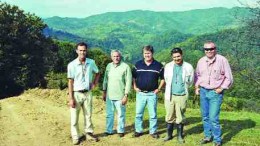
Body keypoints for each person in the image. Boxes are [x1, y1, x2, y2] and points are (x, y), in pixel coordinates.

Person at [195, 41, 233, 146]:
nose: (209, 51)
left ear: (215, 49)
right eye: (206, 49)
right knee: (205, 116)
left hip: (215, 92)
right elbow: (197, 75)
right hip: (203, 91)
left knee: (213, 118)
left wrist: (222, 88)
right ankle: (208, 136)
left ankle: (217, 140)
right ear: (204, 50)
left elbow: (229, 77)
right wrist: (197, 86)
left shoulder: (222, 60)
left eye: (211, 49)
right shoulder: (201, 61)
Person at [67, 42, 100, 145]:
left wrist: (94, 83)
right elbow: (70, 82)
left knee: (88, 115)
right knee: (74, 117)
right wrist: (71, 98)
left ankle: (89, 134)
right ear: (77, 51)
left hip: (88, 93)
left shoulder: (91, 62)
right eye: (80, 50)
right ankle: (75, 136)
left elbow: (98, 72)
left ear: (86, 51)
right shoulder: (72, 65)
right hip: (76, 93)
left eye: (84, 50)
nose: (82, 52)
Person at [132, 45, 165, 139]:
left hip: (152, 94)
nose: (147, 55)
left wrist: (158, 89)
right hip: (140, 93)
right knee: (138, 113)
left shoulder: (158, 65)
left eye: (149, 53)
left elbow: (163, 78)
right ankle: (138, 130)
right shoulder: (137, 64)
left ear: (152, 53)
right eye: (145, 53)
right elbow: (133, 77)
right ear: (143, 54)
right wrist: (134, 87)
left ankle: (153, 131)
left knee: (153, 114)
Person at [164, 48, 194, 144]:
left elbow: (191, 82)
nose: (176, 58)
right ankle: (169, 135)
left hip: (182, 95)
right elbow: (166, 79)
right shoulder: (168, 66)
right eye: (174, 57)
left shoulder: (188, 67)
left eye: (178, 56)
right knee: (169, 115)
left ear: (182, 55)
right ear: (172, 57)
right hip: (170, 95)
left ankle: (180, 136)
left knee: (180, 116)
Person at [102, 50, 132, 137]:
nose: (116, 58)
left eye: (117, 56)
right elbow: (105, 80)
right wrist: (104, 92)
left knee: (121, 115)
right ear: (111, 57)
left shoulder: (125, 67)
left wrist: (126, 95)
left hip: (120, 96)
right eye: (114, 56)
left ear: (120, 56)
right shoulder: (108, 66)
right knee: (109, 114)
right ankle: (108, 130)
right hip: (109, 95)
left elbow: (128, 82)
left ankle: (120, 130)